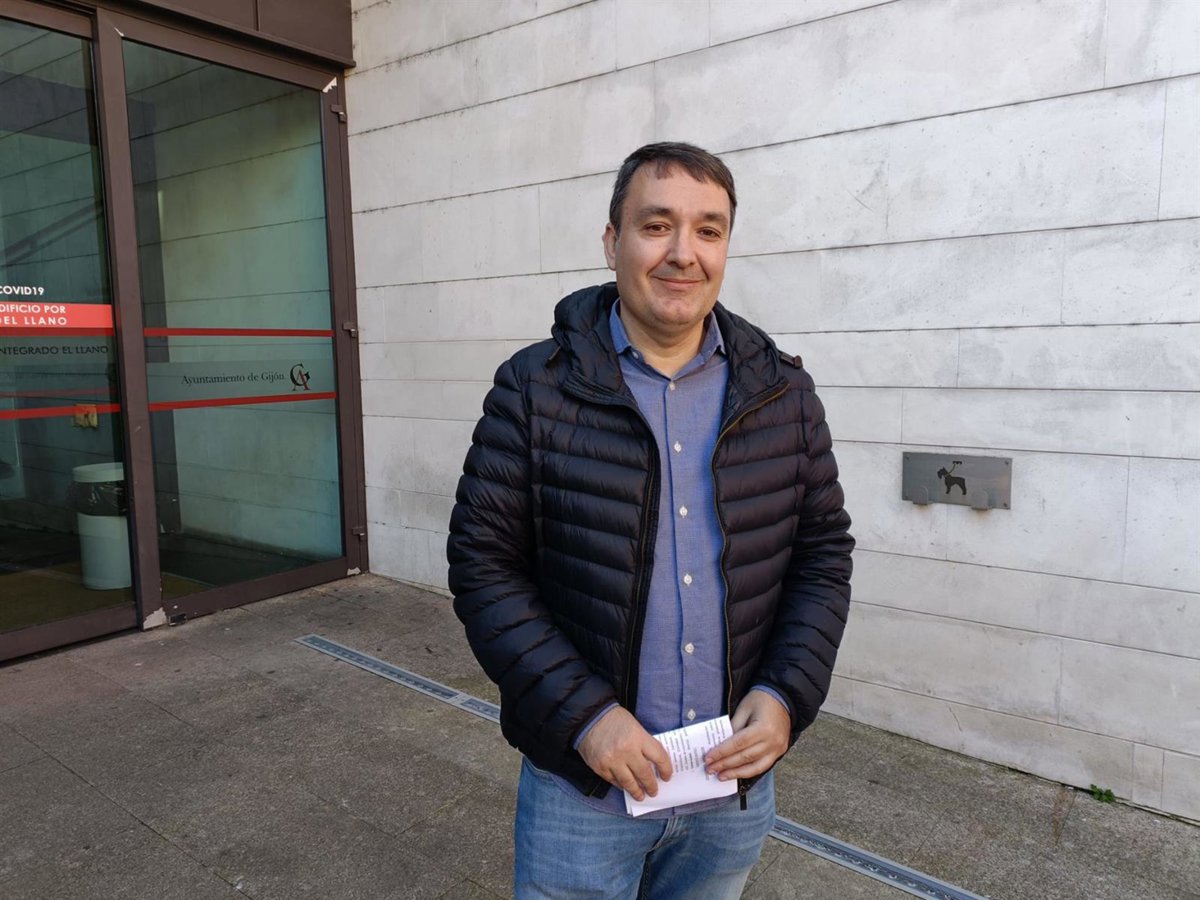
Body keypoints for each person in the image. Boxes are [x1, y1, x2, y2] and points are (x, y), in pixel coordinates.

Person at [447, 142, 854, 899]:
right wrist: (585, 717)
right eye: (657, 225)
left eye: (708, 230)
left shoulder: (783, 395)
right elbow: (483, 566)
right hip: (584, 793)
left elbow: (822, 555)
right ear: (613, 242)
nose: (682, 253)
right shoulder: (533, 390)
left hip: (728, 793)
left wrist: (786, 692)